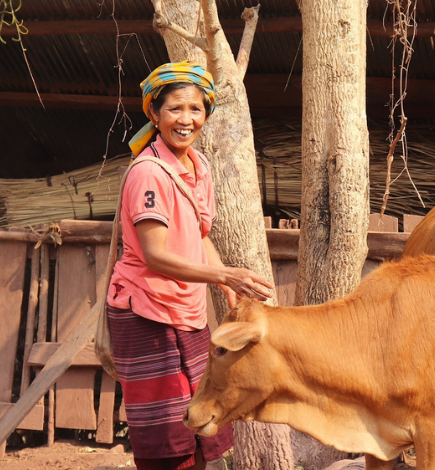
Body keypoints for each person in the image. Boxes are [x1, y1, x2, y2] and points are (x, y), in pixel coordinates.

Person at [107, 61, 274, 470]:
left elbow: (198, 235)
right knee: (165, 442)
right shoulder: (149, 173)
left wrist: (227, 286)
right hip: (146, 313)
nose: (186, 119)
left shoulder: (197, 167)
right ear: (154, 114)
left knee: (202, 427)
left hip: (188, 314)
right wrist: (222, 274)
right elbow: (155, 255)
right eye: (175, 109)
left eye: (196, 109)